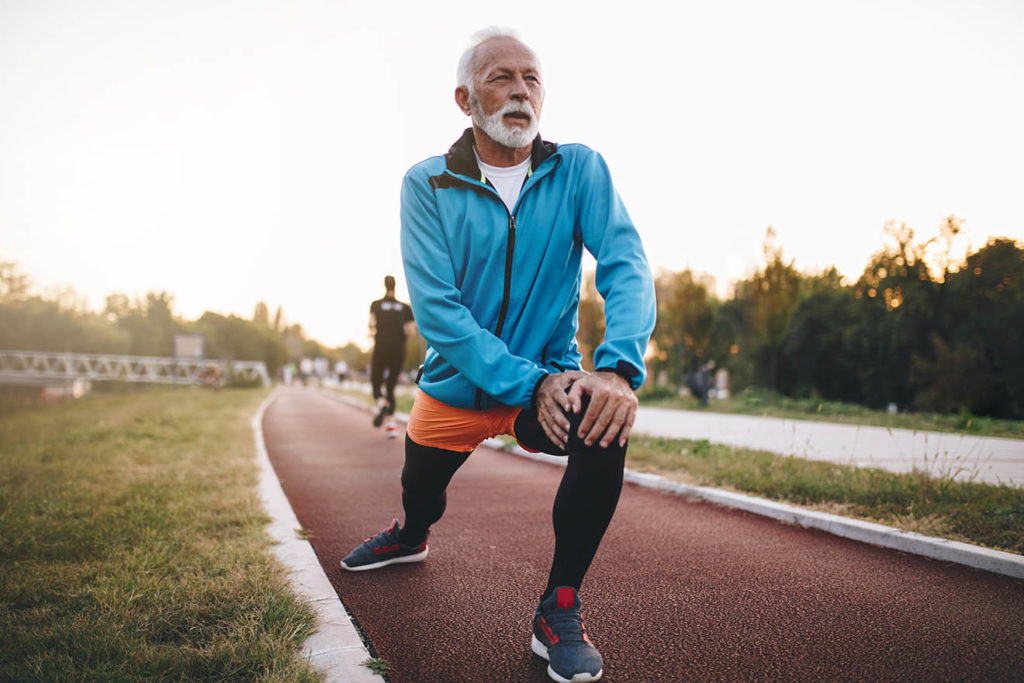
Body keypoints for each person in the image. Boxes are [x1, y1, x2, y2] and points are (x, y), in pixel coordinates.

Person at [341, 29, 656, 683]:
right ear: (465, 98)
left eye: (531, 78)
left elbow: (625, 264)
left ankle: (559, 604)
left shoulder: (580, 171)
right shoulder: (426, 183)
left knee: (603, 418)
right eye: (501, 77)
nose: (519, 90)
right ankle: (411, 531)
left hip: (549, 374)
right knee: (421, 491)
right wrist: (527, 382)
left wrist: (618, 367)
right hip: (454, 388)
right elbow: (440, 314)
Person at [369, 275, 416, 438]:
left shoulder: (376, 305)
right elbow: (411, 331)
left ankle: (381, 403)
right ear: (395, 286)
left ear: (384, 285)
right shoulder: (404, 308)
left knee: (376, 383)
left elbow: (371, 325)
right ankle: (391, 426)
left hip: (381, 346)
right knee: (390, 387)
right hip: (398, 349)